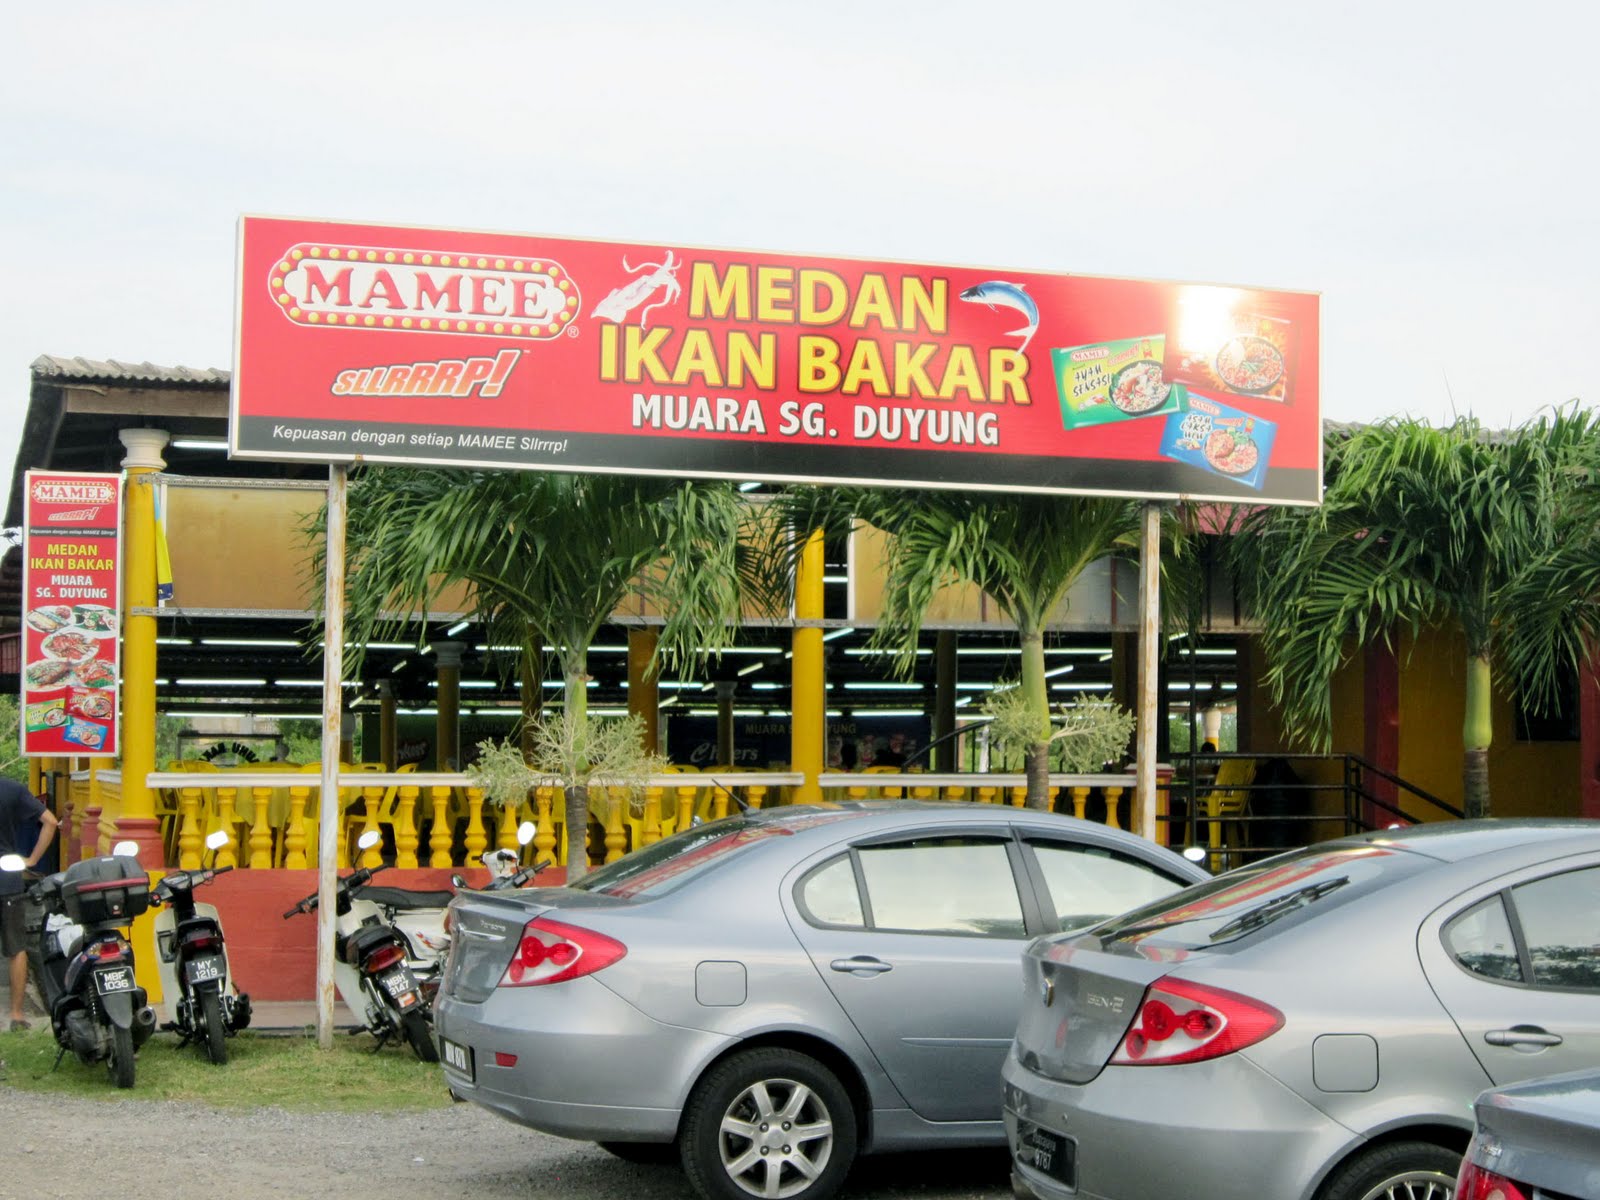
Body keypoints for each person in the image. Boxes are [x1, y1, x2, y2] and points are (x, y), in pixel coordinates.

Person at [2, 778, 59, 1031]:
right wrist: (32, 860)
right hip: (8, 879)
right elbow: (51, 821)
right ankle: (16, 1014)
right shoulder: (12, 789)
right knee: (17, 948)